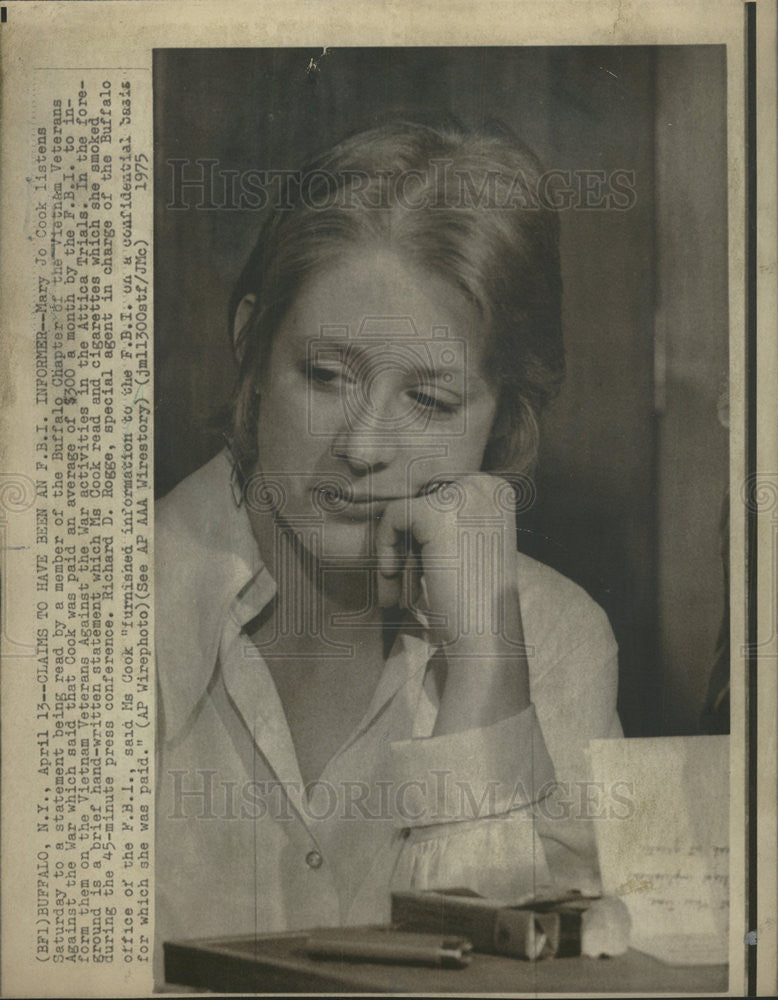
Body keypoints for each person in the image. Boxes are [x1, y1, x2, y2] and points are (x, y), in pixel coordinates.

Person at [154, 116, 623, 983]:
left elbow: (521, 983)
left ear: (502, 422)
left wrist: (485, 670)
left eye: (433, 403)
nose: (365, 447)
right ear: (250, 349)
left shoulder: (554, 636)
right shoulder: (85, 614)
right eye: (326, 377)